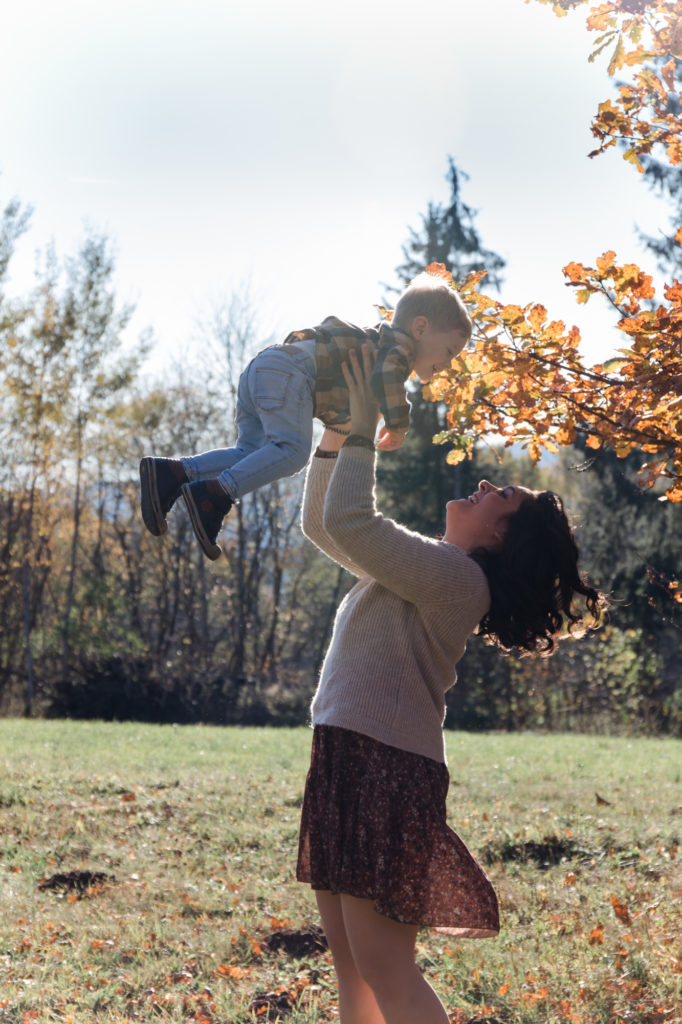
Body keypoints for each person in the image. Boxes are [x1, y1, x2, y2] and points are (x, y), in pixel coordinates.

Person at [296, 346, 604, 1024]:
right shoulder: (431, 567)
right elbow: (322, 524)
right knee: (351, 962)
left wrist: (361, 420)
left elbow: (350, 521)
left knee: (384, 965)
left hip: (384, 768)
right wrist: (337, 429)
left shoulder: (458, 580)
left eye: (503, 496)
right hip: (349, 757)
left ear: (500, 534)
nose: (485, 486)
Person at [139, 272, 471, 559]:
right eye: (449, 352)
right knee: (293, 453)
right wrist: (398, 425)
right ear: (421, 328)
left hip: (265, 367)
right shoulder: (398, 350)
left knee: (253, 454)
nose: (448, 363)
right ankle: (215, 495)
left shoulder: (379, 345)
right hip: (292, 372)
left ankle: (174, 472)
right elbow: (389, 383)